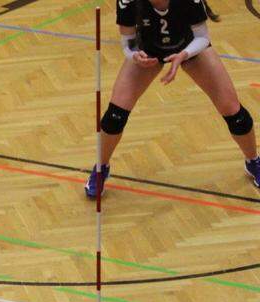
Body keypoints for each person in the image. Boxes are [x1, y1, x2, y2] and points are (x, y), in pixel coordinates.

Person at [85, 0, 259, 197]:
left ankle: (253, 161)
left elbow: (202, 37)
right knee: (114, 118)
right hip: (148, 52)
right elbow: (128, 42)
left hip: (190, 49)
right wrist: (135, 56)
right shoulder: (127, 1)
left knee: (236, 115)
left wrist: (183, 55)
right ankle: (101, 168)